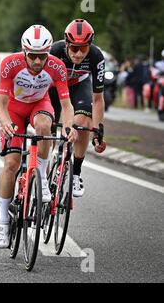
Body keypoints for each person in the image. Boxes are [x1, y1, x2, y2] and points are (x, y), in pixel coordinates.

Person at [0, 25, 77, 248]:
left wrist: (68, 127)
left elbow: (66, 105)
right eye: (33, 56)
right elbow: (0, 104)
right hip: (13, 109)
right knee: (11, 163)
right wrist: (5, 122)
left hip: (39, 105)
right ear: (24, 51)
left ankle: (40, 176)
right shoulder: (10, 63)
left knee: (44, 126)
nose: (38, 62)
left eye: (43, 56)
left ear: (49, 52)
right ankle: (3, 220)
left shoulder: (57, 67)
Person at [49, 19, 106, 198]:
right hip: (54, 88)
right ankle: (49, 160)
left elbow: (97, 99)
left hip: (79, 87)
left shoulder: (96, 57)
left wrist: (98, 132)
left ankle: (76, 173)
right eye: (74, 48)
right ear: (66, 44)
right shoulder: (54, 51)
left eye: (84, 48)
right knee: (46, 125)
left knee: (83, 122)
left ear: (90, 45)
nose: (78, 53)